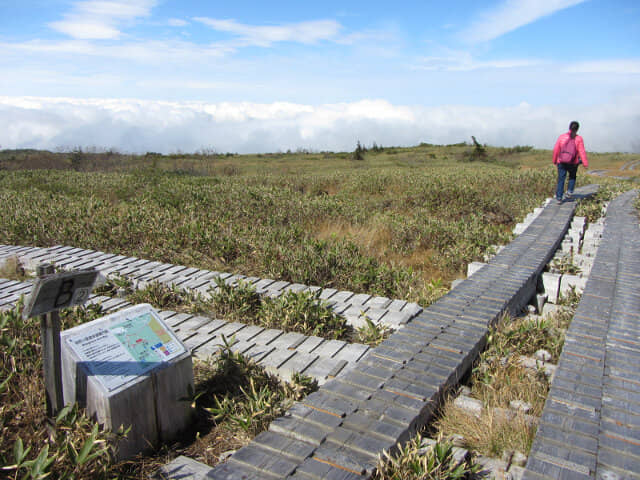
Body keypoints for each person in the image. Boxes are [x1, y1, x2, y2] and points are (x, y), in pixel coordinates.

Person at [552, 121, 589, 202]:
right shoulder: (579, 139)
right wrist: (585, 163)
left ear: (569, 127)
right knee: (572, 176)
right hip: (573, 162)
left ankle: (559, 197)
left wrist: (554, 160)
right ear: (577, 129)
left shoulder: (562, 137)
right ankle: (569, 192)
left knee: (561, 179)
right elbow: (581, 151)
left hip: (561, 161)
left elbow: (556, 150)